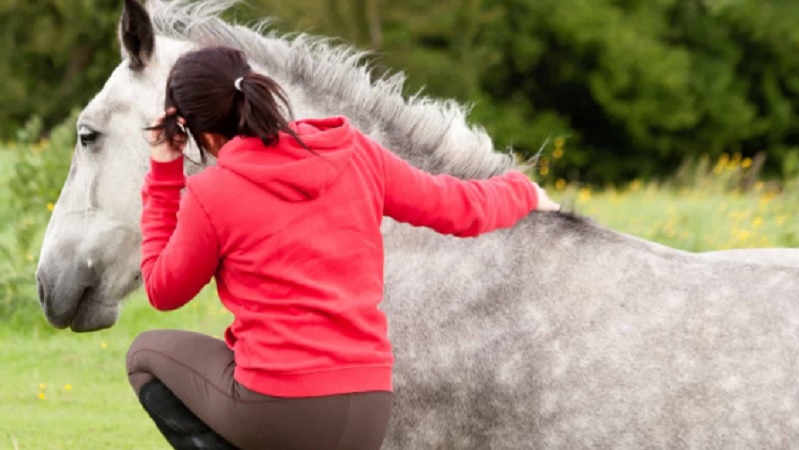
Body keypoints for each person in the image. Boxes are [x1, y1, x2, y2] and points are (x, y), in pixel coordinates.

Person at [126, 45, 560, 450]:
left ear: (188, 127)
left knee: (144, 356)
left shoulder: (213, 192)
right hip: (370, 407)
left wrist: (164, 174)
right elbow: (458, 208)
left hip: (277, 408)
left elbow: (164, 291)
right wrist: (522, 191)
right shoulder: (354, 153)